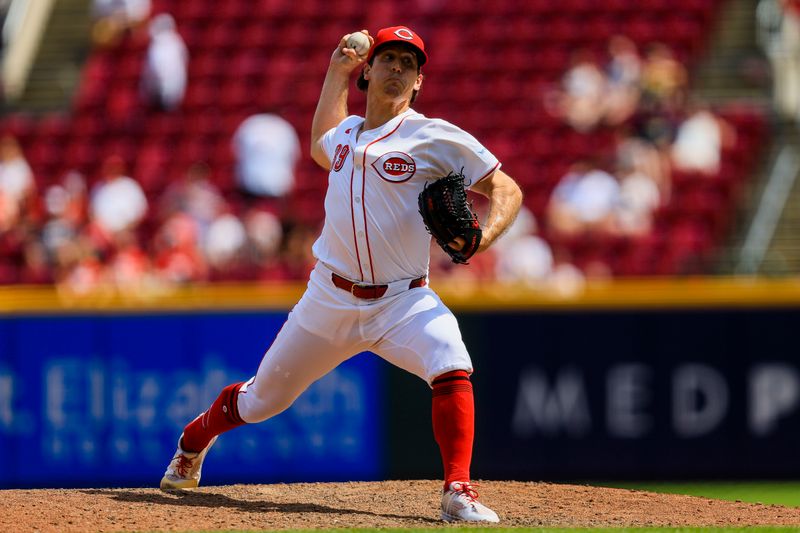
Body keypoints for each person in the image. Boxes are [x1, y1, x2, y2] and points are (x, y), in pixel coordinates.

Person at [159, 25, 522, 523]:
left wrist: (482, 237)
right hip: (329, 298)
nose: (398, 68)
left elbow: (507, 190)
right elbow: (320, 144)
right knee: (263, 400)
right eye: (388, 59)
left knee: (451, 360)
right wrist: (336, 69)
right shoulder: (347, 134)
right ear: (368, 71)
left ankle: (458, 491)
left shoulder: (435, 136)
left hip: (403, 301)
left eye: (409, 64)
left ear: (418, 82)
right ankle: (193, 439)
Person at [140, 13, 188, 111]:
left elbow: (156, 69)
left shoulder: (160, 45)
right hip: (169, 92)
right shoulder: (176, 41)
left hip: (163, 91)